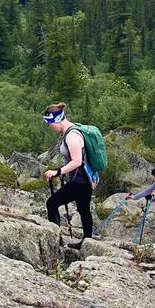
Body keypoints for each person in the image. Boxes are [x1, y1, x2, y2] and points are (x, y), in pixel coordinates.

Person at [42, 102, 94, 244]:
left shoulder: (71, 136)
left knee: (52, 203)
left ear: (57, 120)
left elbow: (77, 161)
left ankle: (56, 240)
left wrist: (57, 172)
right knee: (84, 210)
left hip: (79, 181)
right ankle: (87, 242)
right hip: (84, 180)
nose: (50, 127)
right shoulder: (72, 131)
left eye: (50, 123)